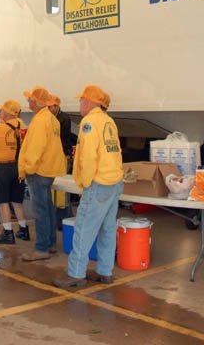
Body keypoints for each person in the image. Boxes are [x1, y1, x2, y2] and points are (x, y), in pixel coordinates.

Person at [53, 85, 123, 288]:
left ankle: (75, 274)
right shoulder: (109, 121)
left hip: (98, 183)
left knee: (84, 228)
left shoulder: (89, 123)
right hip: (114, 182)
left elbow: (89, 157)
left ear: (90, 102)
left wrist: (84, 182)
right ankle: (105, 271)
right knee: (107, 229)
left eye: (81, 100)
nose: (80, 103)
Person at [18, 86, 66, 262]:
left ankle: (42, 248)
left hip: (38, 170)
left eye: (30, 99)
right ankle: (50, 243)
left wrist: (28, 168)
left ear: (37, 102)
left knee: (40, 210)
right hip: (48, 169)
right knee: (47, 208)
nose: (28, 102)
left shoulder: (39, 121)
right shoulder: (51, 119)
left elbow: (35, 148)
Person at [0, 100, 30, 244]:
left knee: (3, 201)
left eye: (1, 111)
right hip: (19, 167)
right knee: (17, 201)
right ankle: (24, 229)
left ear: (5, 113)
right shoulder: (23, 126)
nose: (0, 114)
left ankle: (7, 232)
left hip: (3, 168)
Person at [48, 94, 76, 229]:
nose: (48, 109)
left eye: (51, 106)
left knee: (62, 190)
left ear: (57, 106)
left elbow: (61, 138)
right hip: (53, 156)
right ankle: (59, 218)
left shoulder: (64, 118)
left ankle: (64, 219)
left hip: (62, 155)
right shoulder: (48, 117)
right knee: (56, 188)